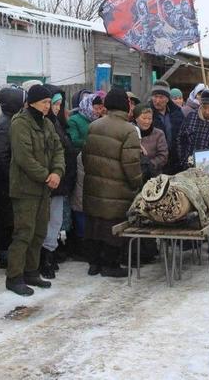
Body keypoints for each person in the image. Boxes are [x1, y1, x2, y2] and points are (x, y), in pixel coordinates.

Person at [5, 85, 65, 296]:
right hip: (25, 188)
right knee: (24, 232)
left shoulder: (47, 123)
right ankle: (14, 276)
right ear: (32, 103)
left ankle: (31, 270)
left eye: (49, 102)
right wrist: (46, 176)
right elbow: (23, 157)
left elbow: (58, 149)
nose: (48, 106)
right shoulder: (20, 123)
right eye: (44, 103)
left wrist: (57, 172)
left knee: (39, 231)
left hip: (44, 189)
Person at [83, 88, 142, 277]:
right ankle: (110, 265)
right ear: (125, 106)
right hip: (118, 189)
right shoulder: (129, 130)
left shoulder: (94, 125)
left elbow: (85, 156)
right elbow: (131, 163)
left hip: (93, 185)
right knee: (113, 226)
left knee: (95, 224)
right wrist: (137, 184)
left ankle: (94, 263)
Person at [40, 88, 77, 279]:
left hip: (60, 180)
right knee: (46, 221)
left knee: (55, 221)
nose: (55, 107)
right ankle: (44, 257)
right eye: (52, 103)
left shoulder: (57, 123)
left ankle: (49, 253)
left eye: (57, 104)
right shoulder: (44, 124)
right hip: (49, 180)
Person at [0, 87, 26, 269]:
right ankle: (5, 256)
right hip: (6, 181)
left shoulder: (10, 120)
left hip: (6, 179)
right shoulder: (7, 124)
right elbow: (1, 154)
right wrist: (11, 176)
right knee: (7, 220)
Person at [149, 79, 184, 173]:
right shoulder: (147, 114)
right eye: (155, 96)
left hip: (175, 163)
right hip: (155, 164)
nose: (157, 100)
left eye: (161, 97)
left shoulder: (177, 113)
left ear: (168, 98)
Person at [134, 104, 168, 182]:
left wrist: (148, 165)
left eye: (150, 118)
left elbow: (163, 156)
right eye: (144, 118)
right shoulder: (130, 132)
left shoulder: (158, 134)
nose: (147, 121)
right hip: (134, 176)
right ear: (136, 118)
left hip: (153, 177)